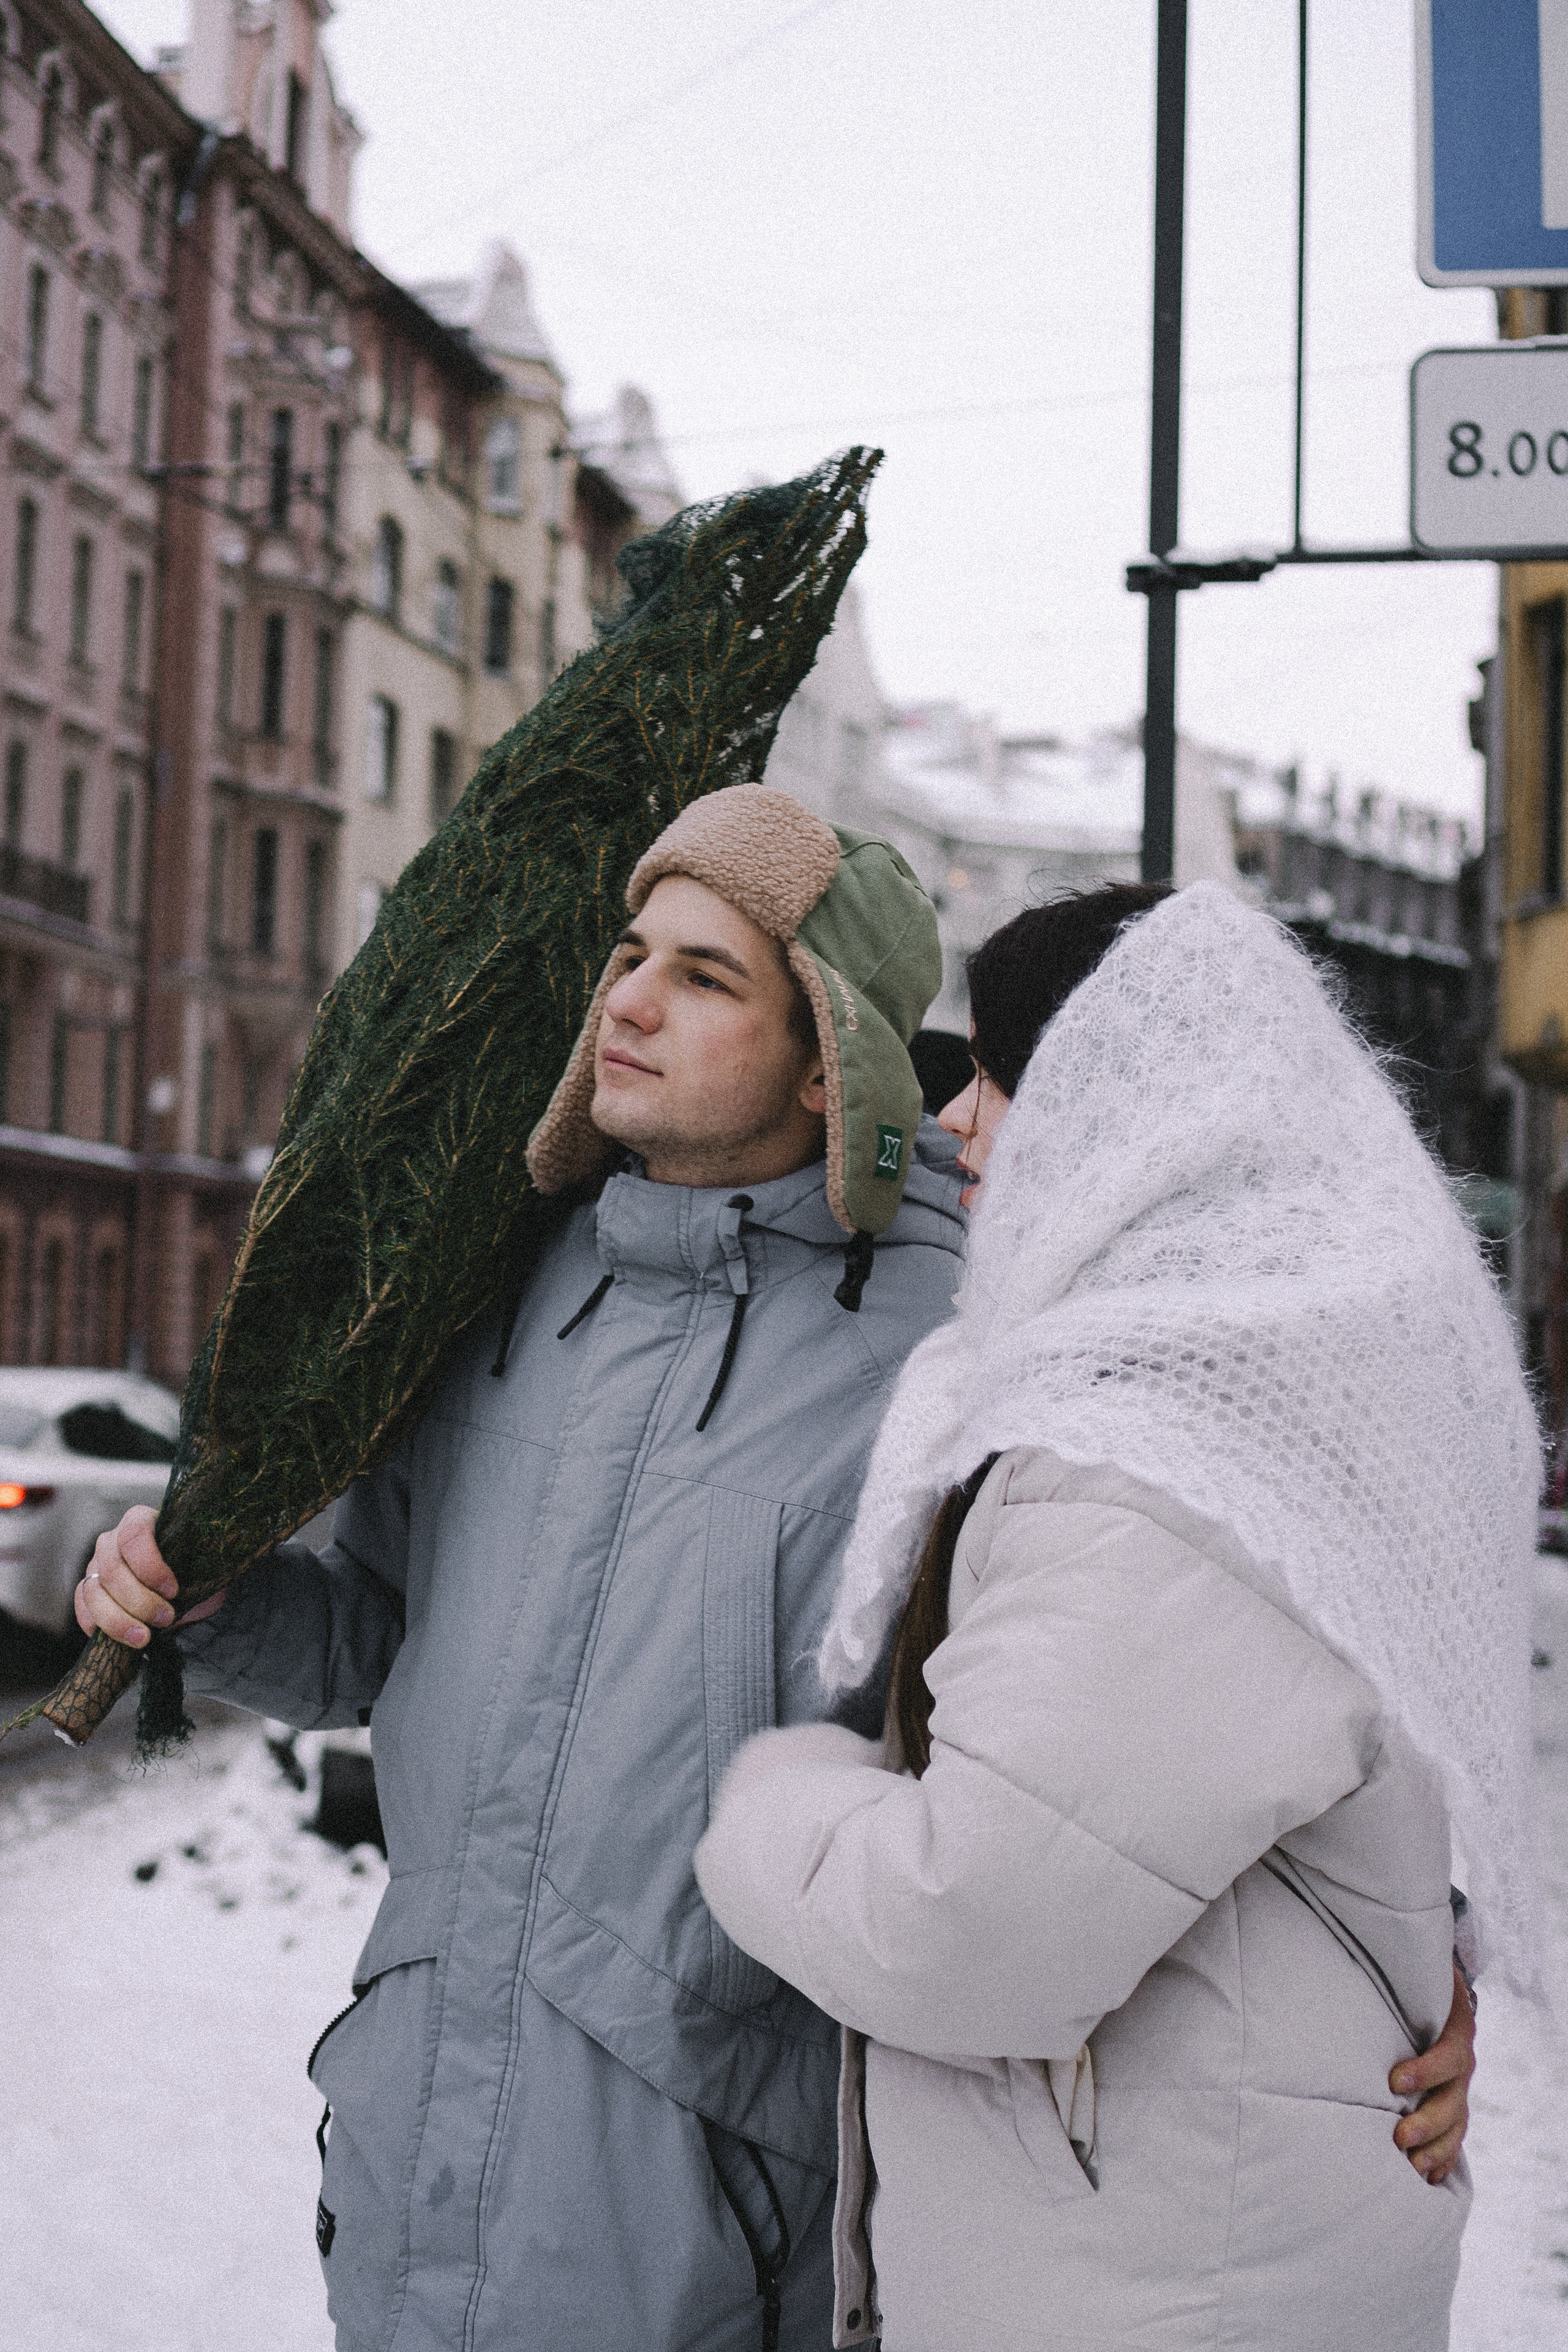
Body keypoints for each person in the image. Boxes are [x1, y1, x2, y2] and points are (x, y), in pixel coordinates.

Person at [80, 846, 1476, 2352]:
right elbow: (374, 1637)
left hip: (724, 2236)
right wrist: (214, 1602)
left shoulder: (967, 1349)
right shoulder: (489, 1298)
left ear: (833, 1060)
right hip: (412, 2174)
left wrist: (1411, 1972)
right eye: (631, 956)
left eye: (703, 975)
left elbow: (1180, 1707)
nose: (627, 1001)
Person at [697, 880, 1528, 2352]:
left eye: (1007, 1075)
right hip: (1195, 2238)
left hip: (1144, 2278)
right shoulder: (1296, 1389)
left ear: (1132, 1115)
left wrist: (771, 1799)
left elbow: (969, 1933)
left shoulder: (1165, 1461)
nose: (961, 1123)